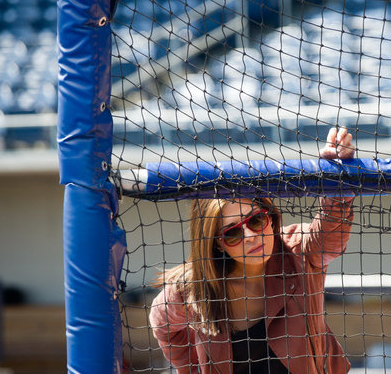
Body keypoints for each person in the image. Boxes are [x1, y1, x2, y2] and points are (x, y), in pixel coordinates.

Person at [150, 127, 356, 374]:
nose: (250, 236)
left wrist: (336, 174)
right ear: (215, 242)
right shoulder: (191, 288)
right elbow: (161, 323)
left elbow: (331, 234)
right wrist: (191, 368)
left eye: (255, 220)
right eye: (232, 232)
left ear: (269, 215)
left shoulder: (299, 251)